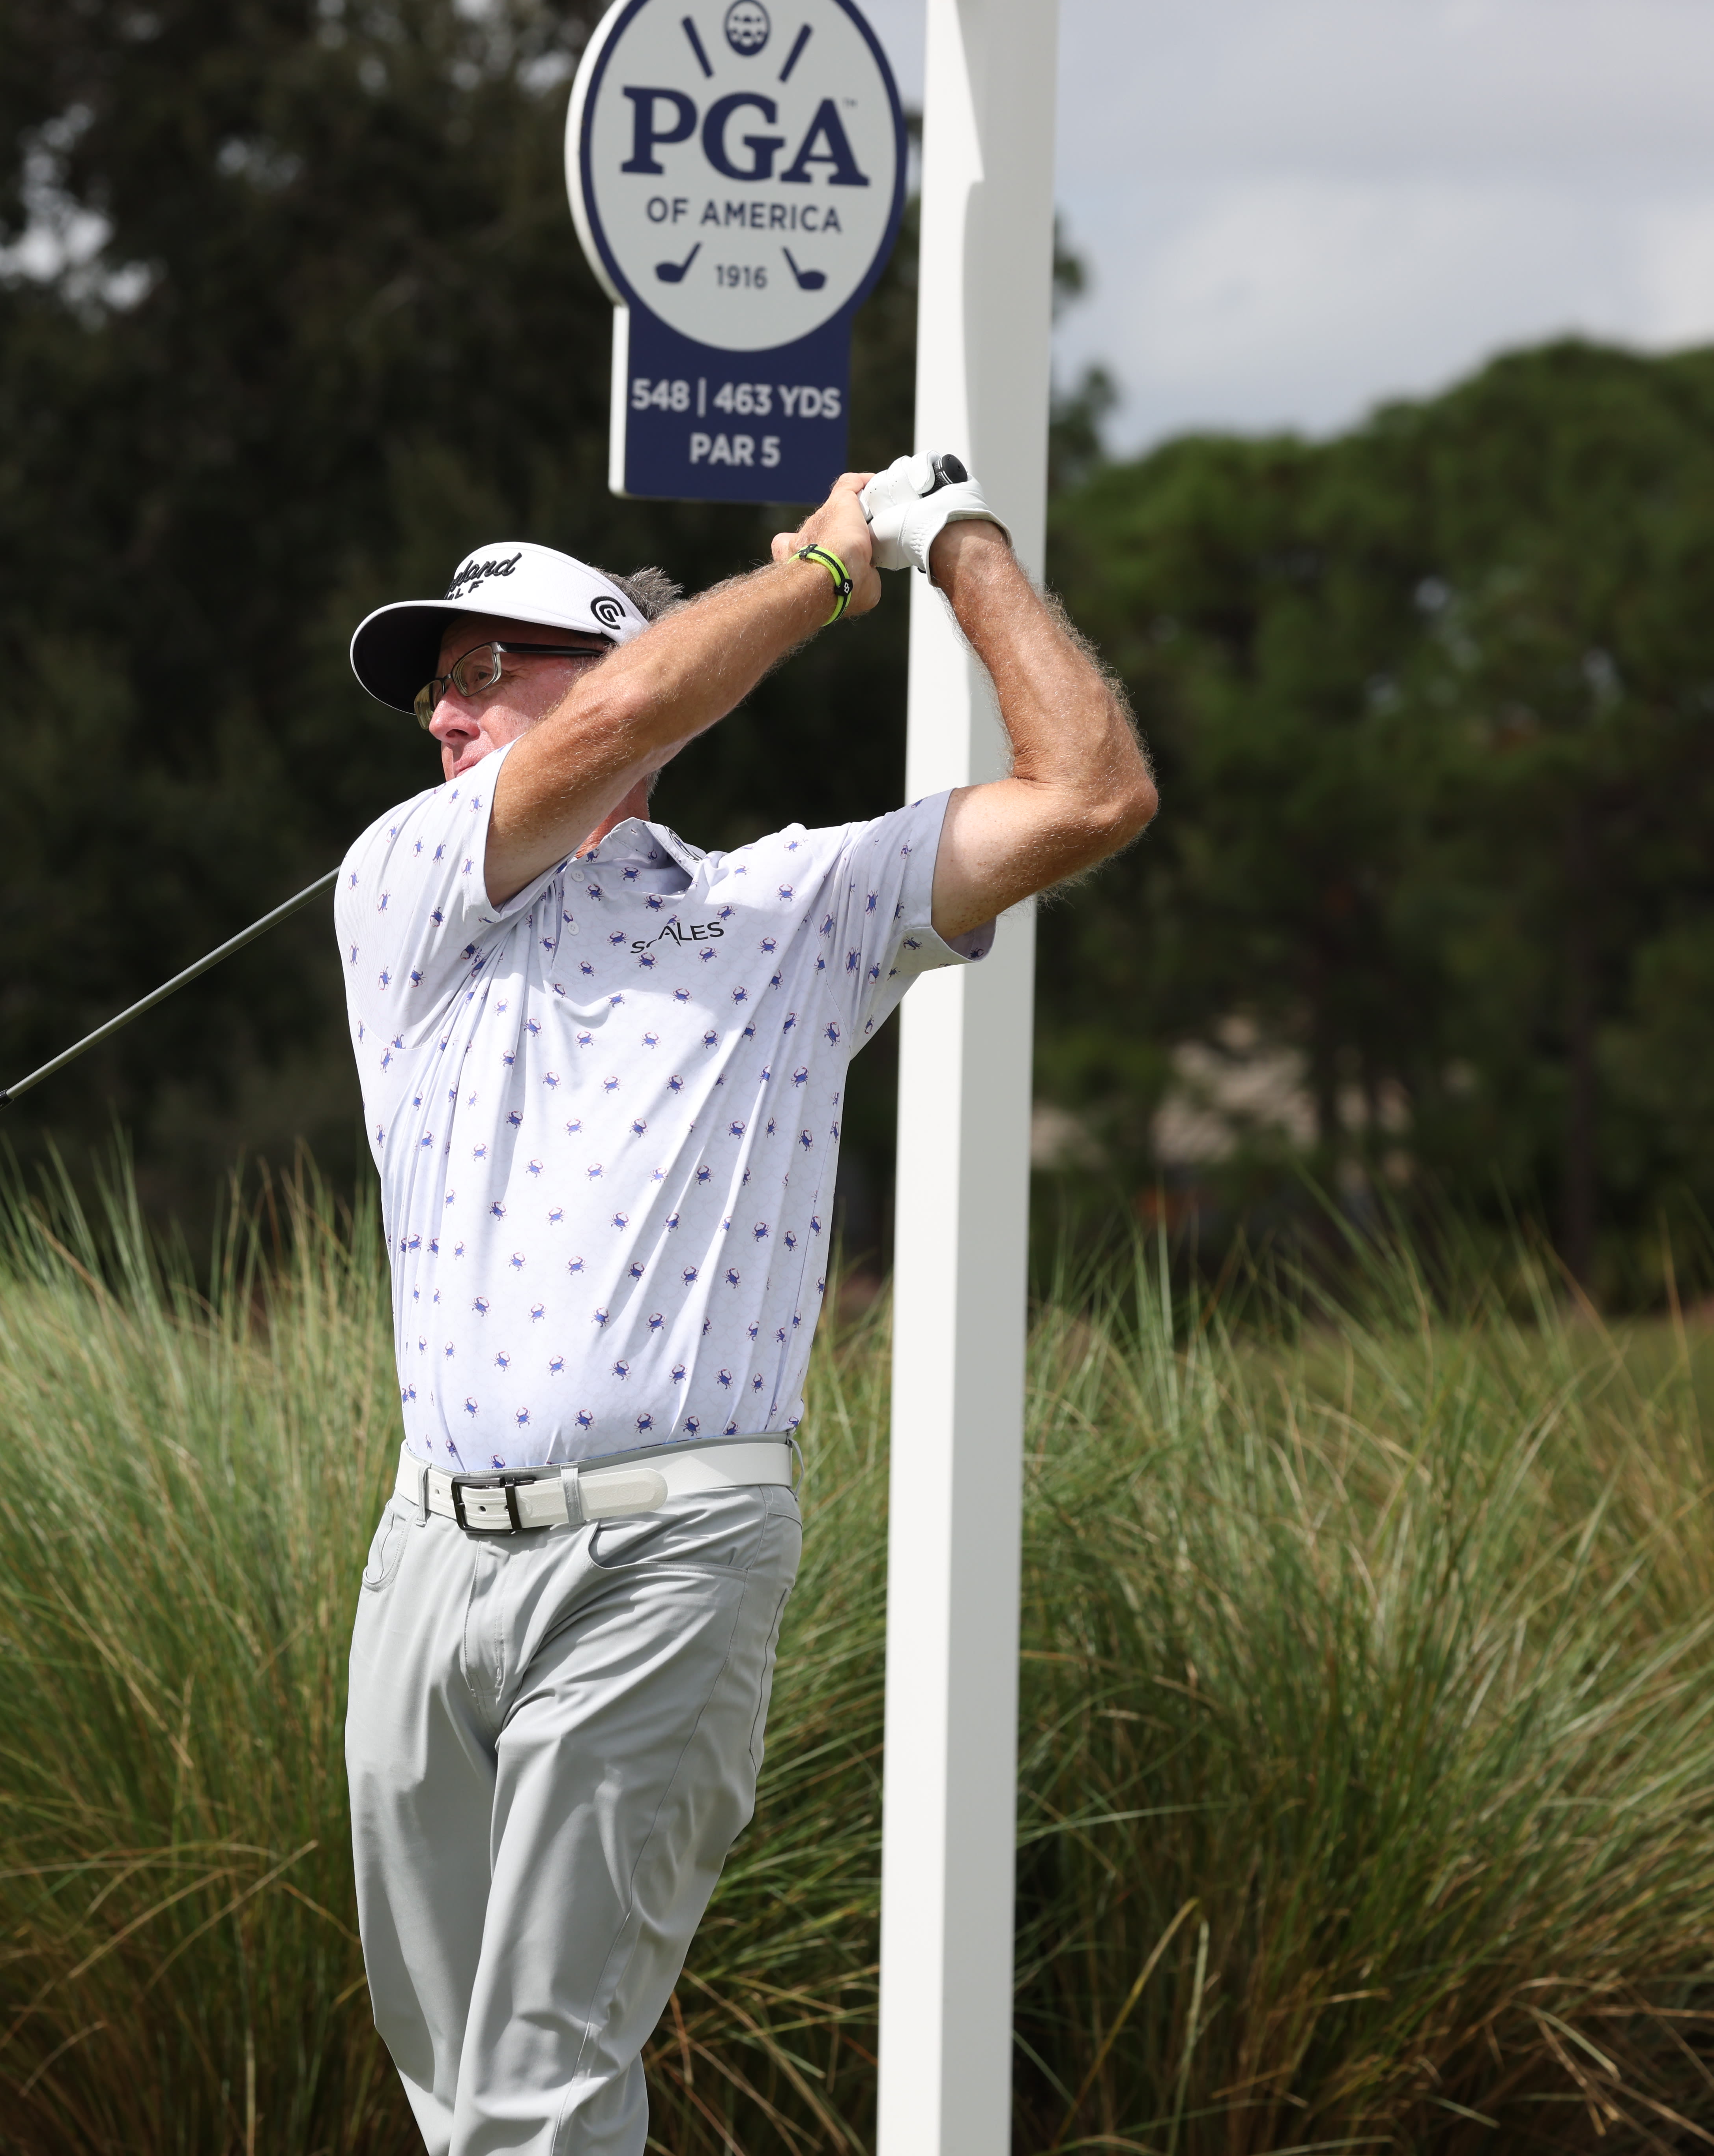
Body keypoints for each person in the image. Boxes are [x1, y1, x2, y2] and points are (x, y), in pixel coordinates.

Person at [333, 458, 1157, 2152]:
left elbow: (1089, 792)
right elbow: (617, 716)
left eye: (486, 668)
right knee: (451, 2077)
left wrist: (956, 550)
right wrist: (821, 575)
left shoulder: (795, 905)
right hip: (425, 1553)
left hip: (667, 1552)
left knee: (543, 2078)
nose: (445, 713)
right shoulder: (405, 885)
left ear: (625, 669)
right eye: (434, 688)